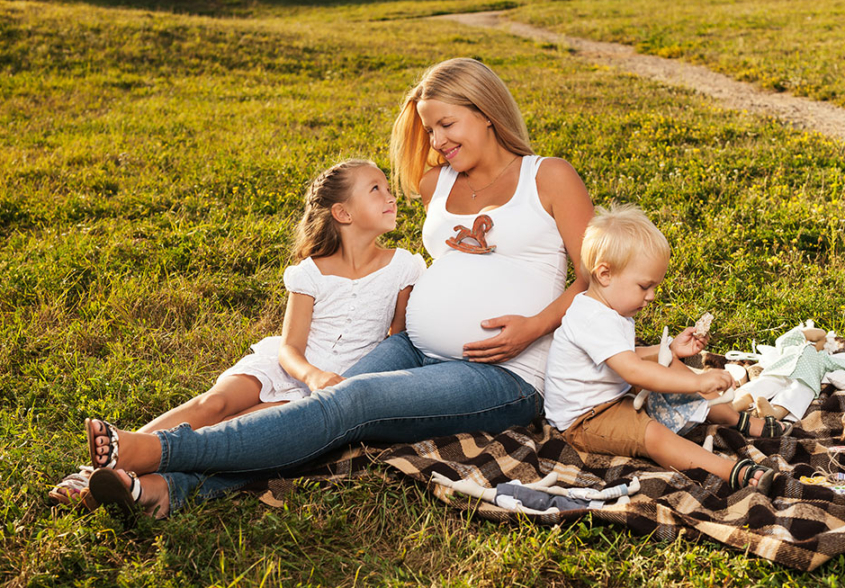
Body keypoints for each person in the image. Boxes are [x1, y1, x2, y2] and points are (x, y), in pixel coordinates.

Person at [83, 57, 594, 520]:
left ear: (486, 111)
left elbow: (596, 277)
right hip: (412, 348)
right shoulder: (437, 183)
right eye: (429, 129)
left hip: (502, 371)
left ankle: (161, 450)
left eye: (446, 125)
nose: (436, 141)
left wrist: (532, 328)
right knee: (321, 418)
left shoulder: (548, 177)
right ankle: (166, 490)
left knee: (353, 404)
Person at [51, 158, 425, 509]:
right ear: (342, 213)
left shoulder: (404, 267)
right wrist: (312, 374)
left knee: (237, 432)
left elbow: (397, 341)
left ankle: (137, 485)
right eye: (376, 188)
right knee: (211, 406)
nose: (390, 195)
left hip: (335, 386)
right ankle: (96, 472)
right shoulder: (310, 272)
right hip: (293, 367)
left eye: (387, 187)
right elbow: (290, 348)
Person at [543, 204, 791, 494]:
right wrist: (697, 380)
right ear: (605, 274)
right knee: (653, 435)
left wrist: (670, 349)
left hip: (613, 395)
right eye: (644, 286)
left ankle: (737, 420)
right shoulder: (592, 318)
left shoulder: (611, 310)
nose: (651, 297)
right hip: (585, 419)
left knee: (671, 366)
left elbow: (627, 356)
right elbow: (633, 371)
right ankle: (728, 470)